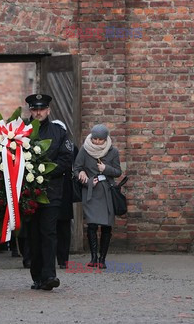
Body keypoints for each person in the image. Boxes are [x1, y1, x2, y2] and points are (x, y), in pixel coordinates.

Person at [24, 94, 72, 290]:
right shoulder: (22, 132)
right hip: (28, 194)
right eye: (34, 109)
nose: (38, 112)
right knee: (33, 235)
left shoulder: (58, 132)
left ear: (48, 110)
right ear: (30, 111)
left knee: (49, 233)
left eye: (41, 109)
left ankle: (49, 275)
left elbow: (66, 159)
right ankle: (37, 276)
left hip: (51, 191)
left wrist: (45, 172)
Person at [73, 124, 122, 269]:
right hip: (90, 191)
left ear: (106, 138)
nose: (97, 142)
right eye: (95, 139)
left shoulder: (113, 151)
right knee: (92, 224)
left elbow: (118, 172)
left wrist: (105, 169)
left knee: (106, 226)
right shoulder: (84, 150)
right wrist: (81, 175)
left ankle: (102, 259)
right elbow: (76, 168)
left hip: (107, 191)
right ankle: (93, 257)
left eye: (100, 139)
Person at [52, 120, 78, 269]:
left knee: (63, 227)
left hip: (65, 192)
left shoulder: (71, 148)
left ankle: (63, 259)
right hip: (54, 191)